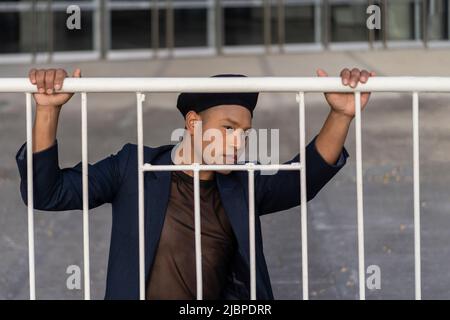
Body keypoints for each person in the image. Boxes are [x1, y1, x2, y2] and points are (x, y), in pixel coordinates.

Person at [16, 67, 374, 299]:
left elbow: (304, 177)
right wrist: (48, 111)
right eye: (228, 128)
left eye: (245, 133)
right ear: (192, 123)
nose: (237, 141)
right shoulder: (133, 166)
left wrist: (341, 114)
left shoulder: (243, 181)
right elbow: (47, 192)